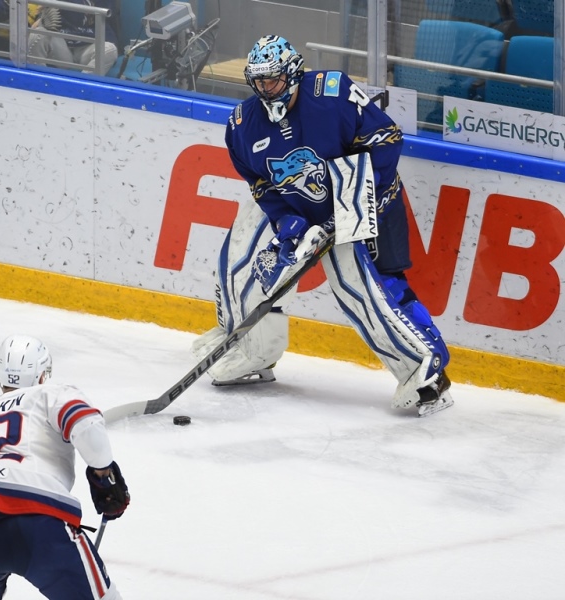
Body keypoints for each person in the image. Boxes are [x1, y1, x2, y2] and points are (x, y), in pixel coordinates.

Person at [191, 34, 454, 417]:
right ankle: (250, 350)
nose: (265, 89)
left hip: (368, 200)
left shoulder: (333, 94)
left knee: (361, 286)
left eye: (273, 80)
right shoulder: (242, 125)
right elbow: (261, 184)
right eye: (259, 81)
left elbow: (387, 140)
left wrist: (346, 210)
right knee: (240, 256)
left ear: (293, 74)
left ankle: (426, 371)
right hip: (300, 204)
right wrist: (286, 221)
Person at [0, 334, 130, 600]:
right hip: (34, 518)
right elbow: (86, 424)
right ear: (42, 374)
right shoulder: (49, 394)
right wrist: (105, 476)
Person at [27, 0, 118, 75]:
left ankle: (81, 87)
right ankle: (38, 84)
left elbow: (107, 21)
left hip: (87, 48)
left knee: (110, 49)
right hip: (61, 46)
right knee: (37, 34)